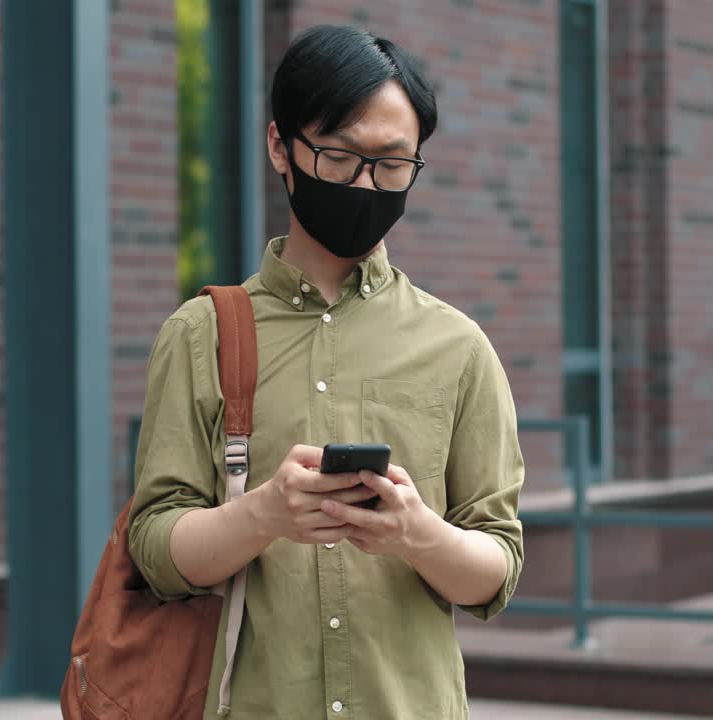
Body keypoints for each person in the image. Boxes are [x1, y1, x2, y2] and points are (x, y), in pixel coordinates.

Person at [128, 25, 524, 718]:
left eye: (394, 162)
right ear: (281, 147)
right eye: (340, 156)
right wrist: (263, 515)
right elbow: (156, 551)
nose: (367, 183)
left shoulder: (458, 347)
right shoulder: (200, 336)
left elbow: (497, 568)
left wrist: (417, 533)